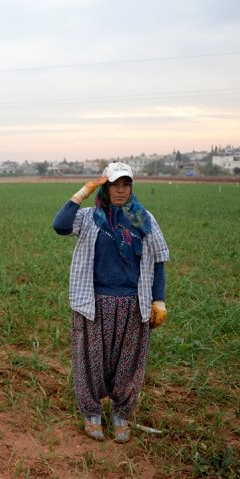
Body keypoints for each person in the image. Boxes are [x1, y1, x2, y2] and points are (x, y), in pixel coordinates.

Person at [52, 162, 169, 443]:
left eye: (126, 185)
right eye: (115, 185)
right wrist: (82, 191)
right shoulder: (90, 217)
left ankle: (121, 415)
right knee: (91, 361)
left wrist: (159, 300)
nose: (120, 191)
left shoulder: (143, 218)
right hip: (94, 303)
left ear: (131, 188)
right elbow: (60, 225)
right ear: (105, 187)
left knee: (128, 365)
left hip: (133, 303)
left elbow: (158, 261)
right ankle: (91, 414)